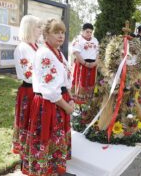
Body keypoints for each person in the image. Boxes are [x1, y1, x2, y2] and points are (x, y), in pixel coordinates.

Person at [23, 19, 74, 175]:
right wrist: (67, 106)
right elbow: (50, 89)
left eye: (63, 32)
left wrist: (70, 97)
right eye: (56, 32)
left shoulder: (57, 52)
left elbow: (65, 78)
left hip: (60, 101)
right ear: (46, 34)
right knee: (49, 136)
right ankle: (46, 171)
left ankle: (57, 170)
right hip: (50, 103)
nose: (61, 36)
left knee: (56, 138)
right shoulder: (45, 53)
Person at [12, 15, 42, 161]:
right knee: (27, 122)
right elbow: (28, 74)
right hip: (30, 90)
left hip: (38, 90)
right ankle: (27, 156)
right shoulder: (22, 48)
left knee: (36, 123)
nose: (40, 30)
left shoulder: (37, 46)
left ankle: (35, 153)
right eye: (38, 27)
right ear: (30, 28)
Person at [71, 23, 99, 104]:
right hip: (81, 65)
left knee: (91, 84)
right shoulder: (78, 39)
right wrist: (85, 63)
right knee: (80, 83)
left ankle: (88, 103)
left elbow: (98, 53)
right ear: (82, 31)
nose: (89, 34)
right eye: (87, 32)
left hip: (93, 66)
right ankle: (78, 104)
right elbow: (76, 53)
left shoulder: (95, 40)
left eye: (91, 32)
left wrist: (95, 62)